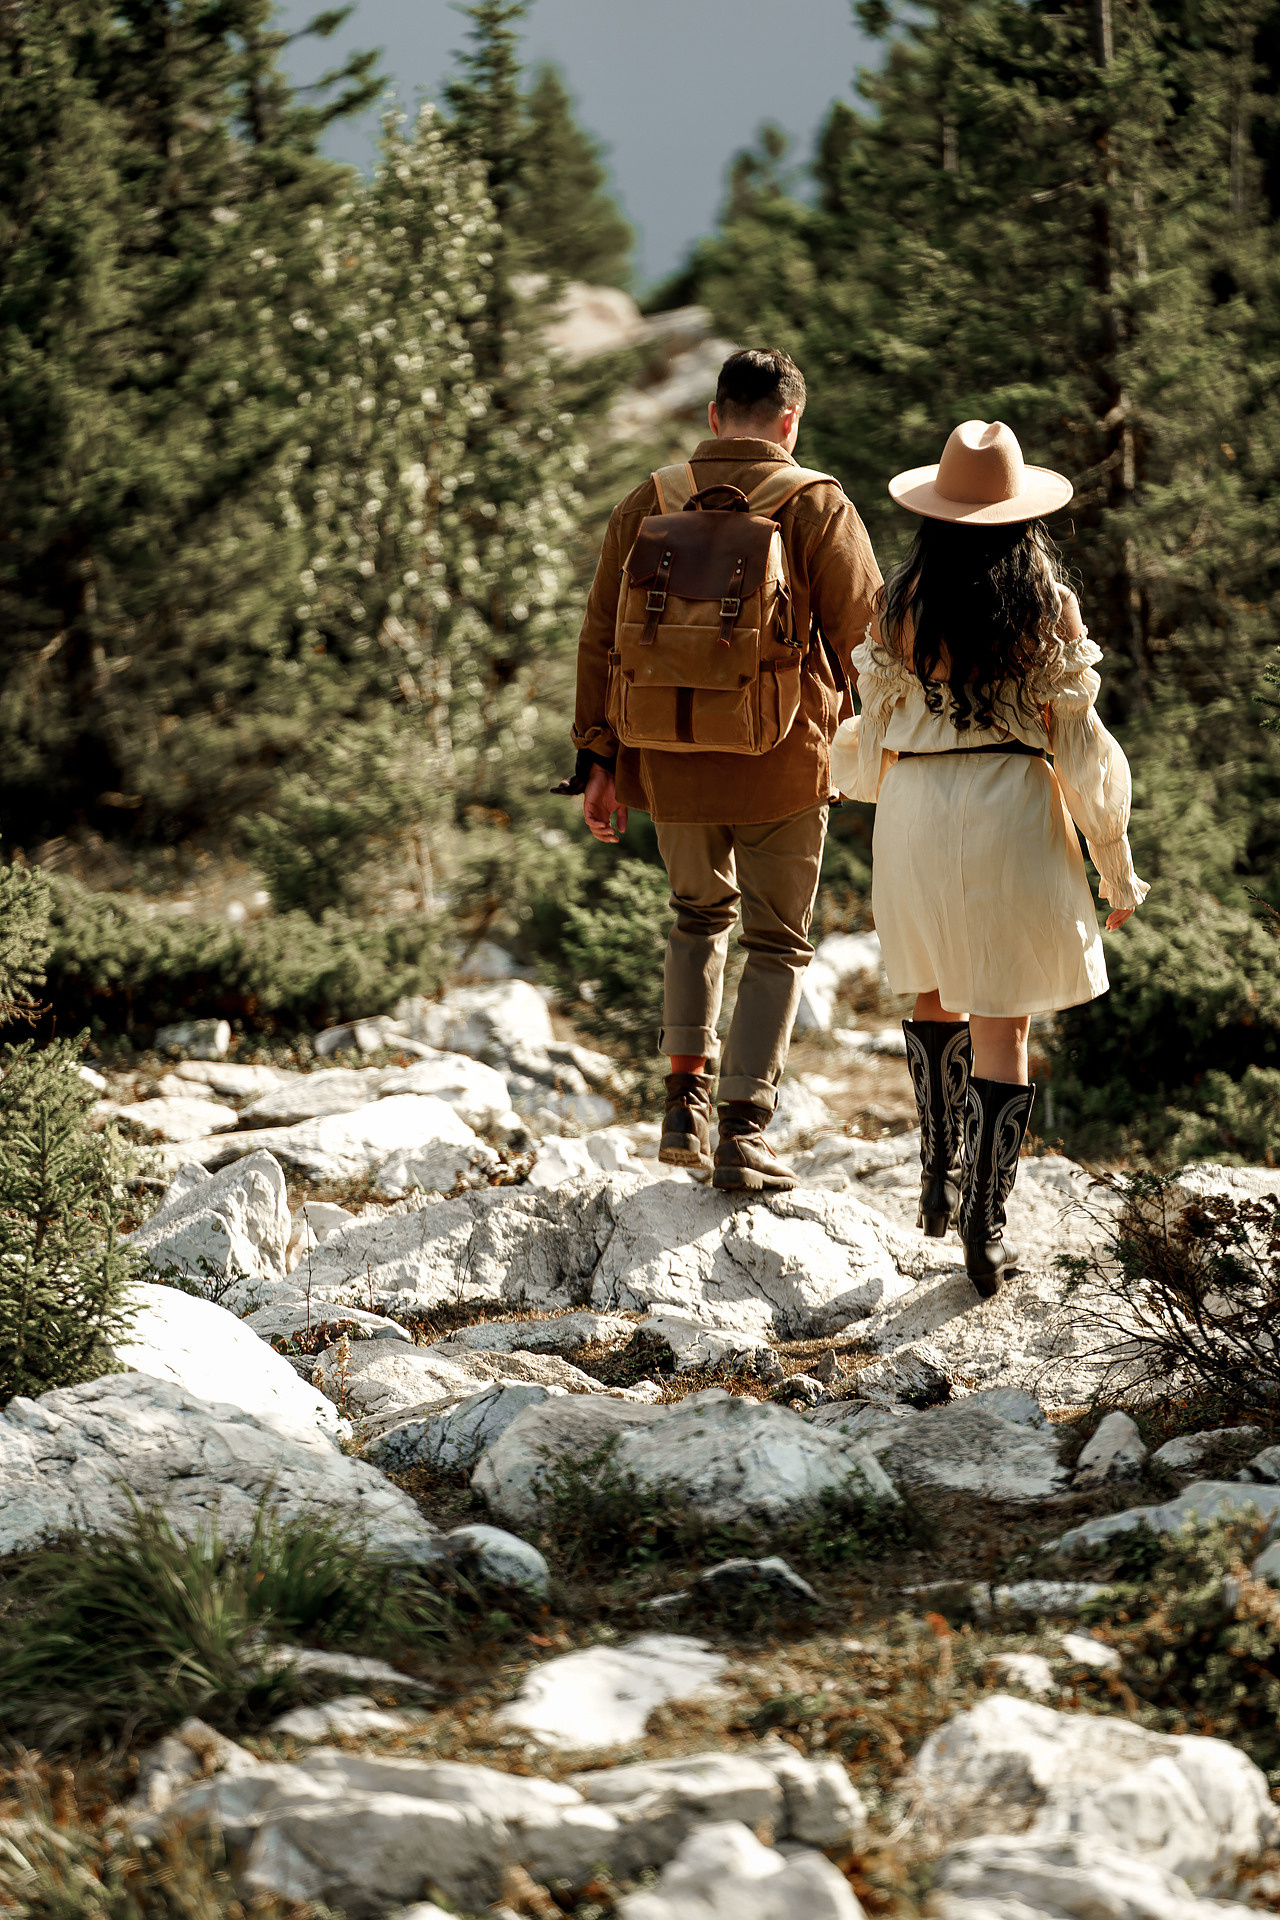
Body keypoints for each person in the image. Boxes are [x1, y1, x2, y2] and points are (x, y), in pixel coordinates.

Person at [832, 418, 1148, 1292]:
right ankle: (986, 1217)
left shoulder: (900, 603)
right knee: (1004, 1021)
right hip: (1013, 805)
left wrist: (844, 775)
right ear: (1021, 515)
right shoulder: (1048, 608)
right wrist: (1113, 864)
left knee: (933, 988)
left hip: (919, 806)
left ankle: (936, 1167)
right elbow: (1081, 752)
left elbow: (879, 729)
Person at [567, 348, 882, 1189]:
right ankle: (745, 1131)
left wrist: (598, 760)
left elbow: (602, 637)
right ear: (790, 422)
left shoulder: (651, 499)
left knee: (694, 918)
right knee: (777, 942)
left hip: (667, 757)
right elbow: (871, 643)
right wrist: (887, 748)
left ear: (713, 417)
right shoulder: (815, 502)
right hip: (784, 758)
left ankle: (683, 1107)